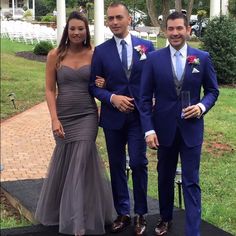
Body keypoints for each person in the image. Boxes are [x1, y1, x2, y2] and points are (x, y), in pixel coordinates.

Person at [139, 12, 219, 236]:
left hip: (192, 130)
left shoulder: (201, 57)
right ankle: (165, 218)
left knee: (191, 180)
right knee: (164, 177)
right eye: (171, 29)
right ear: (166, 31)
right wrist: (149, 129)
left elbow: (213, 90)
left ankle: (193, 231)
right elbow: (144, 98)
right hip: (163, 130)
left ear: (188, 30)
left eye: (179, 29)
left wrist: (201, 107)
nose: (175, 33)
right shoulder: (154, 59)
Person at [35, 11, 114, 236]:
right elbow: (50, 90)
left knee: (80, 163)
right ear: (66, 31)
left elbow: (103, 84)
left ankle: (79, 221)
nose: (77, 32)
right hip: (64, 116)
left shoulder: (94, 54)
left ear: (86, 31)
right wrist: (54, 119)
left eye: (81, 28)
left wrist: (104, 82)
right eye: (73, 29)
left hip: (87, 115)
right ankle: (63, 212)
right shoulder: (55, 55)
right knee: (66, 162)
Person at [89, 2, 155, 235]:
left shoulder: (147, 47)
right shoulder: (101, 51)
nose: (114, 22)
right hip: (113, 119)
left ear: (129, 19)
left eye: (118, 17)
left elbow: (155, 78)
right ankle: (123, 213)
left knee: (138, 163)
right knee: (117, 165)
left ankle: (141, 214)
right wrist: (112, 97)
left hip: (139, 118)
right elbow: (94, 86)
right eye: (110, 19)